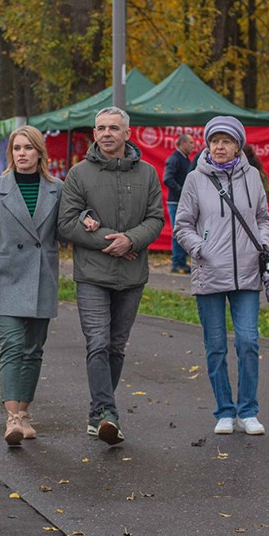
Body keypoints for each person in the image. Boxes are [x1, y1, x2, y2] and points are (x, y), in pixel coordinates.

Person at [57, 107, 164, 445]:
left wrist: (131, 240)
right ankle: (108, 412)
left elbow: (156, 219)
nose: (106, 134)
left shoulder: (147, 174)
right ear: (94, 133)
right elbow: (67, 223)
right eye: (101, 128)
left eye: (113, 128)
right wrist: (112, 241)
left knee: (116, 346)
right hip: (92, 275)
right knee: (98, 342)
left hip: (132, 275)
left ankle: (97, 412)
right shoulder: (78, 174)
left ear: (127, 134)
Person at [173, 115, 269, 436]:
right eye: (215, 140)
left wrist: (263, 244)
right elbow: (182, 225)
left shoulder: (252, 177)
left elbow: (262, 217)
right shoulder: (195, 179)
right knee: (215, 346)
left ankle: (249, 410)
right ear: (207, 144)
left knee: (248, 341)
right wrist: (200, 248)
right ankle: (225, 410)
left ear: (238, 145)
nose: (219, 146)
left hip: (246, 274)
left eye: (226, 141)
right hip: (209, 273)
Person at [0, 126, 63, 446]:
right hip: (5, 280)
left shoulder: (57, 189)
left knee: (33, 350)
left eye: (28, 148)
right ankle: (11, 416)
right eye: (16, 148)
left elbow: (66, 228)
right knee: (12, 345)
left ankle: (24, 413)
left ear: (40, 152)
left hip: (42, 278)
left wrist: (90, 221)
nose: (22, 153)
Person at [163, 133, 195, 274]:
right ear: (182, 143)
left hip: (184, 202)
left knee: (184, 232)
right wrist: (182, 191)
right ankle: (177, 263)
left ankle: (181, 262)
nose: (193, 146)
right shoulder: (174, 159)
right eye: (190, 142)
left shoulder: (185, 159)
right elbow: (167, 178)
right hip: (176, 202)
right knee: (178, 233)